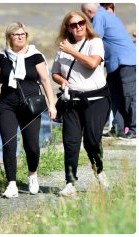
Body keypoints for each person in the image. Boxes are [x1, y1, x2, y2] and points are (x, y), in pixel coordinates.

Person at [0, 22, 56, 198]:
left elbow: (46, 81)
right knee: (9, 144)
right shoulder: (2, 57)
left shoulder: (36, 56)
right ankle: (11, 184)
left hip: (31, 106)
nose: (20, 37)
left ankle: (32, 174)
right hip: (7, 105)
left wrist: (52, 104)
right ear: (9, 37)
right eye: (16, 34)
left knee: (32, 145)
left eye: (23, 34)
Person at [51, 11, 111, 196]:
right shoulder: (62, 49)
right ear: (67, 28)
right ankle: (70, 183)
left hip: (96, 100)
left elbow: (92, 64)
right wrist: (62, 81)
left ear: (86, 24)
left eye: (81, 23)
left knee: (92, 140)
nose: (78, 26)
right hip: (72, 101)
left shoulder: (95, 42)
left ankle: (99, 172)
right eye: (73, 24)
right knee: (70, 142)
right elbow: (54, 73)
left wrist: (71, 51)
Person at [82, 3, 136, 139]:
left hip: (125, 61)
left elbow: (95, 39)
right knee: (114, 96)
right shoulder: (107, 15)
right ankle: (118, 129)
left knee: (129, 96)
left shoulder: (99, 16)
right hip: (114, 63)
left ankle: (134, 129)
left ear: (88, 12)